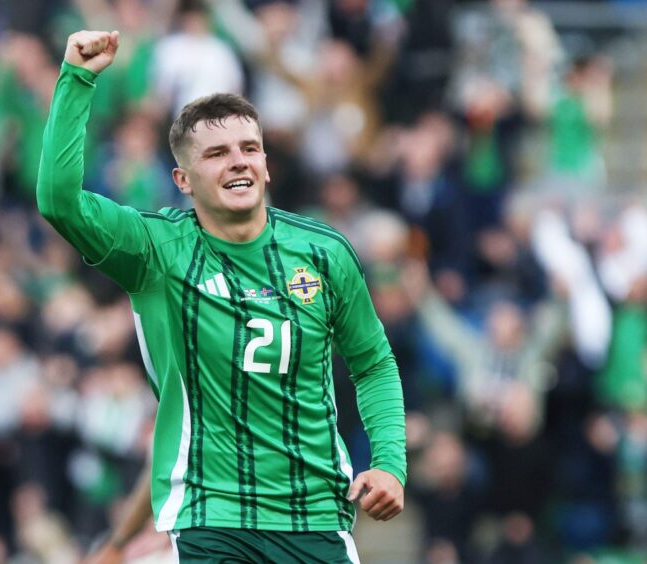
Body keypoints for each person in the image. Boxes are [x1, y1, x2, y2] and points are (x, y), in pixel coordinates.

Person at [38, 30, 407, 563]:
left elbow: (373, 363)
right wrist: (77, 78)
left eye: (249, 148)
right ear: (182, 179)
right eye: (216, 154)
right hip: (211, 516)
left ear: (266, 164)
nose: (238, 162)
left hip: (315, 516)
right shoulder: (156, 250)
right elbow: (57, 200)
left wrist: (391, 463)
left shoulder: (324, 252)